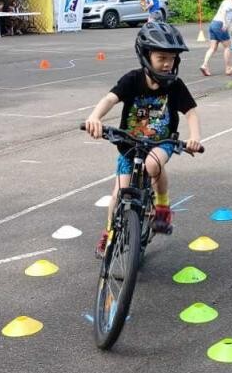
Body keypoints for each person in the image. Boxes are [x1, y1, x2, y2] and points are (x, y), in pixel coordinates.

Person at [85, 20, 201, 256]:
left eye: (172, 58)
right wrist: (95, 117)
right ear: (146, 56)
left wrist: (195, 137)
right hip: (129, 144)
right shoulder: (132, 79)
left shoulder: (175, 86)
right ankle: (109, 233)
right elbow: (110, 99)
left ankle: (162, 206)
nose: (167, 64)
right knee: (118, 194)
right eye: (161, 58)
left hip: (161, 142)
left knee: (152, 164)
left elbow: (190, 112)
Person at [200, 0, 232, 77]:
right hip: (220, 25)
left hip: (213, 24)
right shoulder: (229, 2)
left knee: (213, 48)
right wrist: (224, 23)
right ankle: (228, 68)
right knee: (227, 46)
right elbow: (224, 12)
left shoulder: (226, 2)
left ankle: (204, 65)